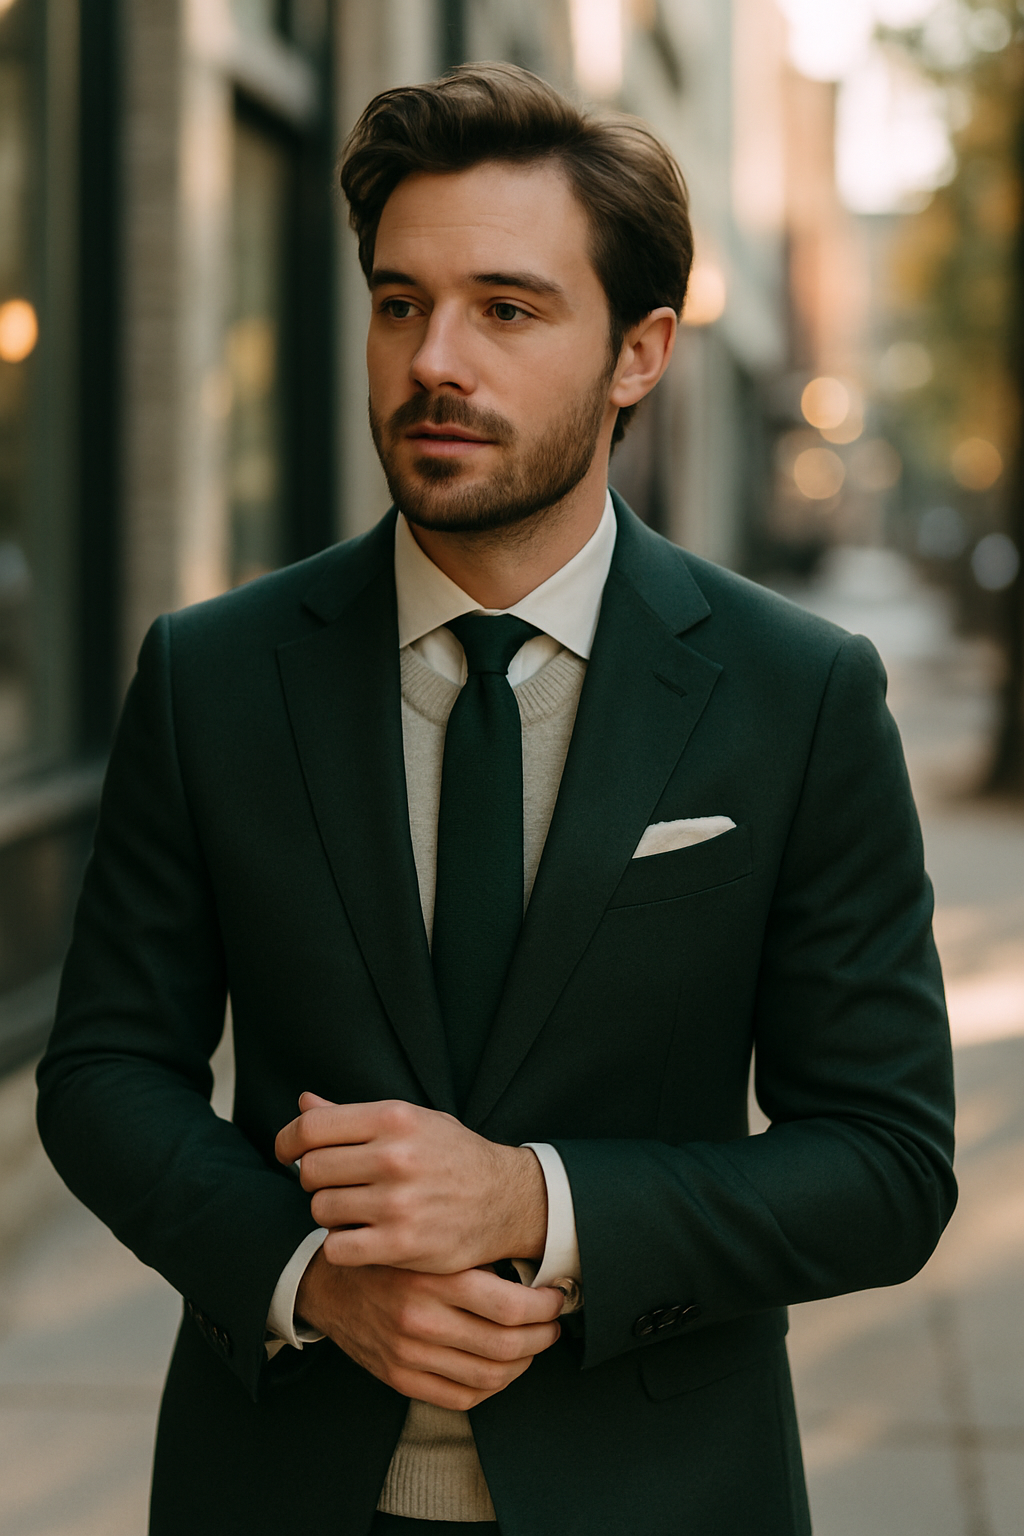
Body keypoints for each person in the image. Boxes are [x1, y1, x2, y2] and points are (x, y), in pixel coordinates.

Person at [36, 63, 956, 1536]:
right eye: (400, 304)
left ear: (639, 353)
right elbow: (101, 1076)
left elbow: (889, 1164)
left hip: (662, 1492)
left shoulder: (799, 695)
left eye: (506, 310)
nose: (432, 362)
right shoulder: (212, 676)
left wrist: (537, 1202)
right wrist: (310, 1281)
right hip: (274, 1484)